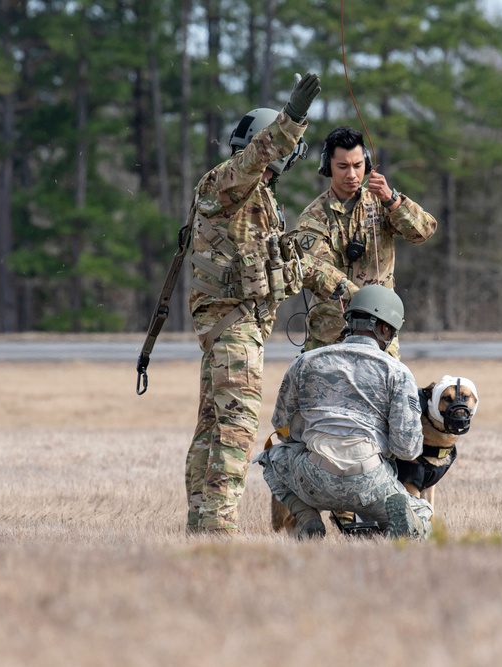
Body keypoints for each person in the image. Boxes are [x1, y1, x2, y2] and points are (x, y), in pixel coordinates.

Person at [184, 73, 352, 535]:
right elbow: (258, 155)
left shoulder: (260, 203)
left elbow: (294, 260)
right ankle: (217, 533)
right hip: (232, 324)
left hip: (243, 326)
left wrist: (346, 291)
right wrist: (293, 117)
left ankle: (201, 530)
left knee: (212, 428)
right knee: (236, 431)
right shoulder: (225, 184)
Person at [255, 285, 433, 541]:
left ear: (348, 321)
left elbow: (283, 428)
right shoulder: (397, 372)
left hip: (313, 477)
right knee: (423, 513)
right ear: (385, 329)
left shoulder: (305, 362)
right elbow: (407, 448)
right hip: (370, 481)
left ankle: (306, 517)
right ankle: (401, 522)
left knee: (271, 456)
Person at [288, 126, 438, 357]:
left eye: (358, 166)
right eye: (343, 166)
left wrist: (393, 202)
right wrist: (363, 300)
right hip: (331, 335)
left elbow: (423, 232)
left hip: (381, 332)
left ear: (367, 164)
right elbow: (315, 270)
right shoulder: (313, 217)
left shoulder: (381, 202)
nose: (352, 175)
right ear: (328, 166)